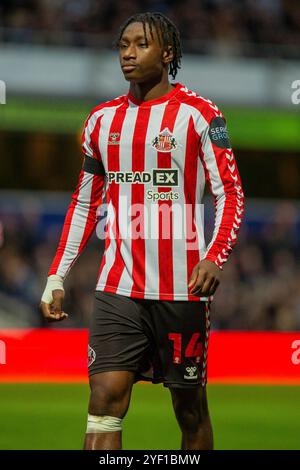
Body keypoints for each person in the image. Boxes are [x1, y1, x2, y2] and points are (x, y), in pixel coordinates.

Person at [40, 11, 244, 450]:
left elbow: (231, 194)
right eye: (123, 45)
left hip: (182, 289)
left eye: (141, 44)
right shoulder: (101, 121)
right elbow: (83, 203)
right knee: (103, 402)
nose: (128, 54)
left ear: (167, 53)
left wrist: (214, 256)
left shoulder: (203, 116)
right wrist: (57, 276)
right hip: (118, 288)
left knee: (190, 411)